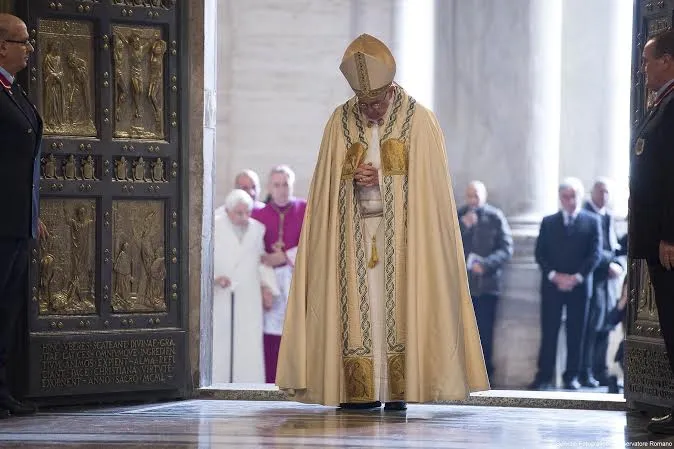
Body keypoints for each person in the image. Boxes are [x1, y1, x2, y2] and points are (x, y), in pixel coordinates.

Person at [275, 34, 489, 411]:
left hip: (402, 249)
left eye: (376, 102)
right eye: (364, 103)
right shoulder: (339, 122)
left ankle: (396, 390)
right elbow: (326, 196)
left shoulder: (420, 121)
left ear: (391, 89)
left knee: (397, 310)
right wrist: (351, 183)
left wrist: (385, 186)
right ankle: (357, 389)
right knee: (357, 315)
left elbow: (429, 200)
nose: (371, 111)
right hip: (352, 248)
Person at [630, 29, 674, 435]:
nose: (642, 68)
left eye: (647, 60)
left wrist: (668, 235)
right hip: (654, 239)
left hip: (667, 242)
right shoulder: (660, 103)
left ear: (668, 60)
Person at [0, 13, 44, 418]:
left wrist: (33, 212)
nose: (29, 48)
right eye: (22, 41)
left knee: (9, 308)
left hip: (16, 221)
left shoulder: (15, 92)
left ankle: (3, 391)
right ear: (1, 46)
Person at [529, 178, 601, 391]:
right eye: (566, 197)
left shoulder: (592, 221)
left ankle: (572, 376)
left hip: (580, 286)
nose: (570, 201)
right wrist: (554, 276)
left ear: (580, 197)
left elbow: (595, 254)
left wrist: (576, 277)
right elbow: (540, 253)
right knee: (549, 330)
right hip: (553, 285)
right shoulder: (548, 222)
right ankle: (544, 376)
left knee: (576, 332)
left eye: (574, 196)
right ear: (560, 198)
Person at [212, 189, 276, 383]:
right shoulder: (215, 226)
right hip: (221, 293)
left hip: (249, 292)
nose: (244, 217)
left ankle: (248, 384)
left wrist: (268, 288)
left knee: (247, 340)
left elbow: (261, 260)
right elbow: (204, 259)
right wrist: (215, 278)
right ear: (229, 211)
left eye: (247, 212)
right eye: (239, 213)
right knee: (221, 340)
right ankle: (218, 382)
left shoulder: (258, 229)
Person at [251, 165, 306, 384]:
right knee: (270, 333)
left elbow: (315, 243)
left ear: (292, 185)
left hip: (297, 279)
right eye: (277, 185)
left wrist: (285, 256)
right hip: (269, 282)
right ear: (269, 187)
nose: (282, 189)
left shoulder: (305, 209)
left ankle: (296, 380)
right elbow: (254, 250)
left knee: (296, 331)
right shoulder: (258, 213)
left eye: (286, 184)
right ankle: (270, 381)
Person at [458, 180, 513, 383]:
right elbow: (447, 241)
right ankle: (464, 374)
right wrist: (464, 226)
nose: (473, 199)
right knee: (462, 332)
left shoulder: (495, 217)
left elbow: (506, 248)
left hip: (488, 285)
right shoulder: (459, 215)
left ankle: (485, 375)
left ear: (484, 196)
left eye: (477, 195)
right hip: (464, 286)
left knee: (485, 332)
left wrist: (487, 264)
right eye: (470, 195)